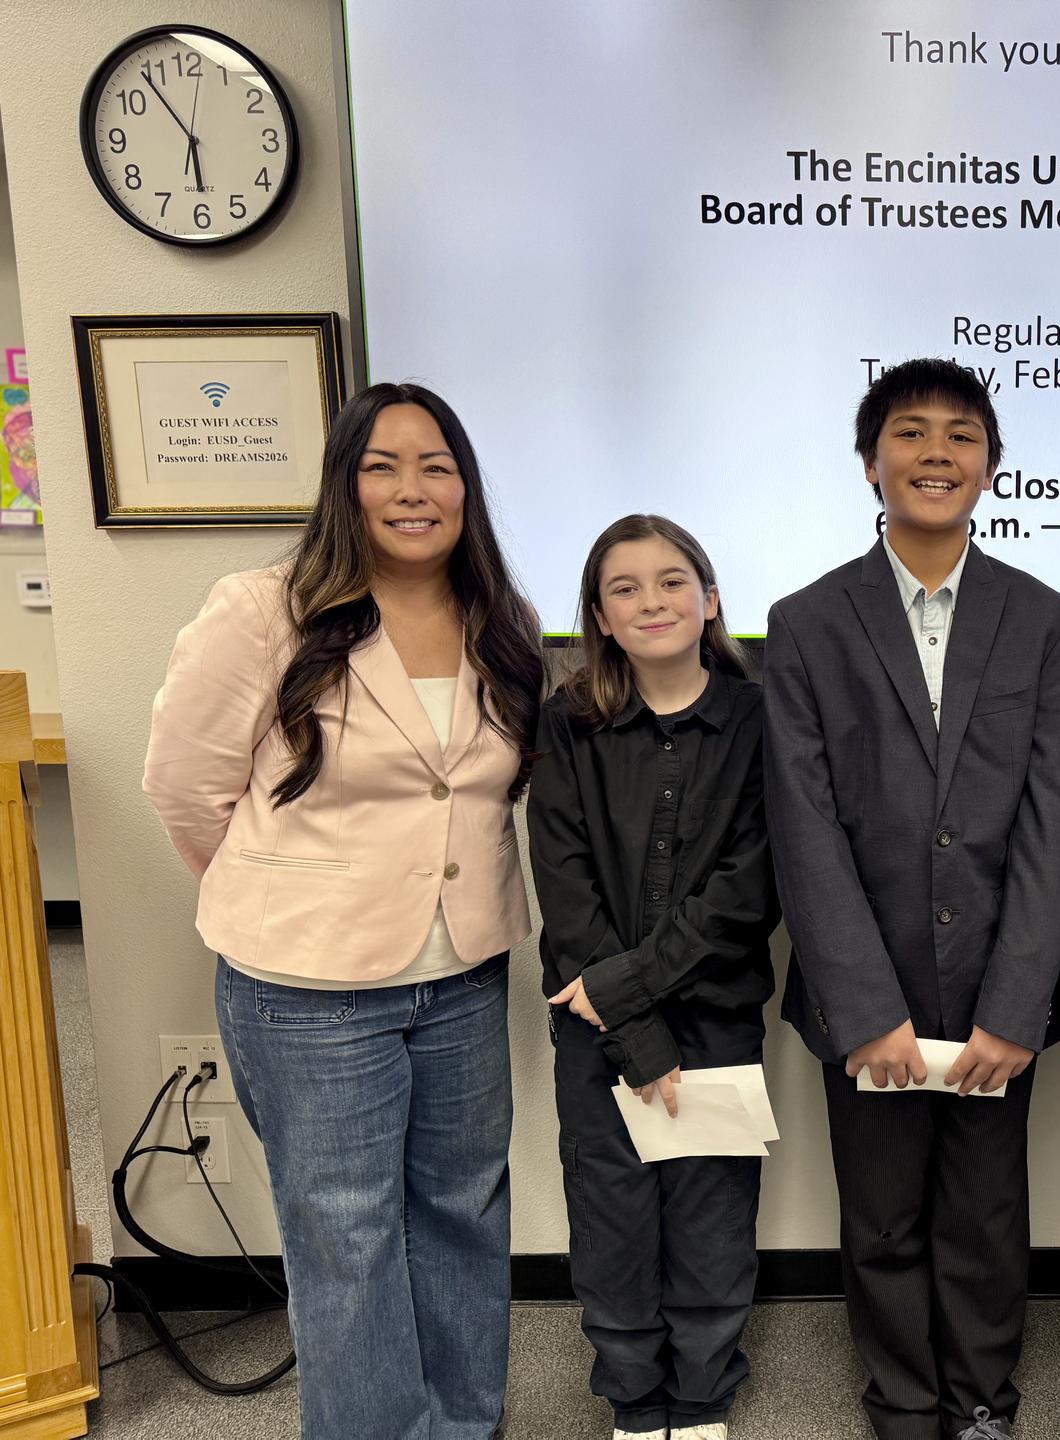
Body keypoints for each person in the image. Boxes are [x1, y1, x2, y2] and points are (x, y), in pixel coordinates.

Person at [143, 382, 544, 1440]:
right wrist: (281, 892)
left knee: (464, 1211)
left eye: (438, 466)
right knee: (347, 1236)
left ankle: (464, 1424)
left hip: (462, 971)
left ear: (467, 487)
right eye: (383, 466)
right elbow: (185, 787)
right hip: (309, 991)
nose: (414, 489)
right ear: (343, 485)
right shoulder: (261, 610)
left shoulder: (502, 620)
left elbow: (487, 795)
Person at [763, 358, 1060, 1440]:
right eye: (910, 433)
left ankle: (984, 1398)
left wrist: (1017, 1002)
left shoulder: (1043, 619)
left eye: (961, 435)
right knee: (884, 1210)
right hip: (870, 983)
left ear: (991, 466)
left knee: (989, 1212)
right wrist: (864, 1006)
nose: (936, 453)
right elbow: (804, 830)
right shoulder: (806, 622)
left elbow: (1053, 819)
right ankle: (901, 1400)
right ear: (870, 464)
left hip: (999, 977)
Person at [530, 514, 780, 1440]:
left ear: (710, 600)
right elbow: (564, 884)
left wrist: (640, 995)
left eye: (672, 581)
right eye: (625, 588)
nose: (652, 601)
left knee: (713, 1213)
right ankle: (637, 1401)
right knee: (614, 1213)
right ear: (598, 615)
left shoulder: (760, 721)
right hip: (593, 1024)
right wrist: (633, 1031)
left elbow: (746, 890)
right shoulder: (567, 724)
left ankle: (704, 1394)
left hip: (716, 1015)